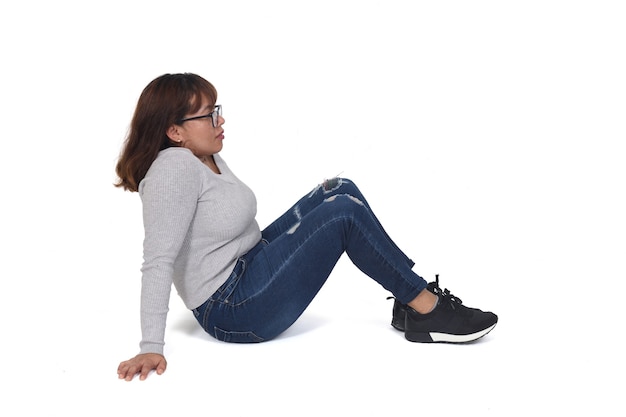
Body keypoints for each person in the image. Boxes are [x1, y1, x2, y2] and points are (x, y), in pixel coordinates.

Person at [115, 73, 498, 381]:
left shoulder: (203, 156)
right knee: (342, 214)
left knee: (338, 190)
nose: (221, 120)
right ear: (175, 131)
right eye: (208, 115)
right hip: (233, 308)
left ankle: (408, 297)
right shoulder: (173, 169)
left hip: (250, 265)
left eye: (218, 109)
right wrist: (151, 344)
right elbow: (158, 259)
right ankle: (426, 309)